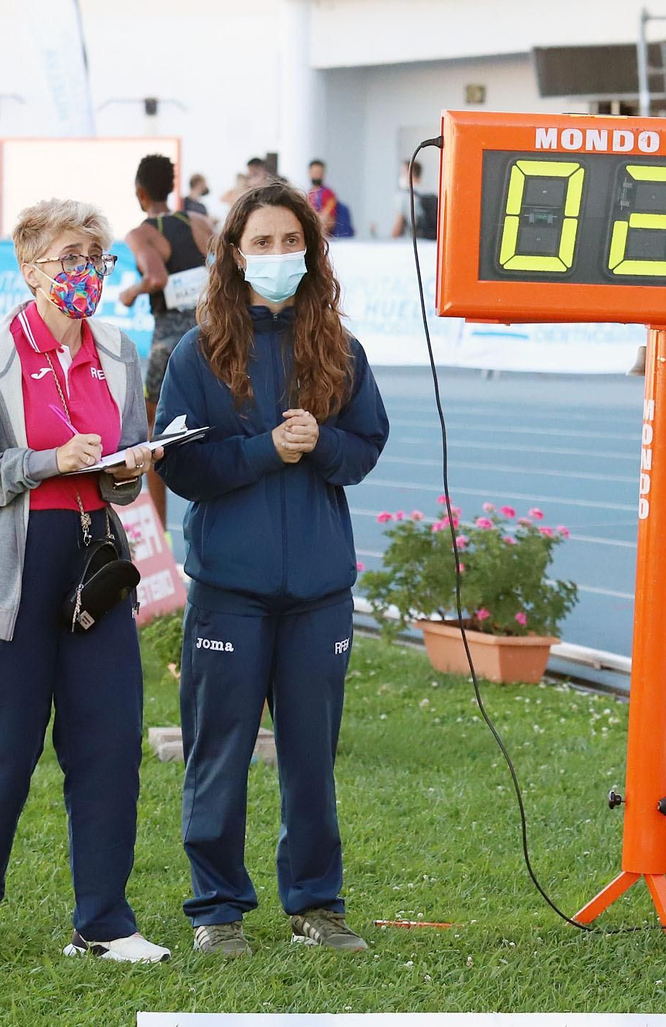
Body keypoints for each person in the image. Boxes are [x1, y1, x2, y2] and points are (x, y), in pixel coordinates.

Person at [153, 181, 388, 958]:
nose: (278, 254)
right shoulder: (198, 352)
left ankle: (316, 905)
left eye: (292, 241)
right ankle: (217, 908)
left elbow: (365, 446)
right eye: (262, 242)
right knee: (217, 753)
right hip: (230, 592)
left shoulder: (340, 348)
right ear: (234, 253)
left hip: (319, 592)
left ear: (312, 252)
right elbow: (181, 467)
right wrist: (265, 451)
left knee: (311, 760)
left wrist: (321, 442)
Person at [0, 199, 167, 966]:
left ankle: (104, 923)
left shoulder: (119, 352)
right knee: (2, 747)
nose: (85, 272)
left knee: (109, 742)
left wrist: (132, 467)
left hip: (95, 567)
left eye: (95, 258)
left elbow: (119, 476)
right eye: (70, 258)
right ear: (30, 269)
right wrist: (48, 462)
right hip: (14, 569)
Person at [118, 154, 216, 526]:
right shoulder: (198, 222)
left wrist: (131, 292)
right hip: (208, 331)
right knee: (213, 422)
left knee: (154, 434)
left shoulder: (140, 234)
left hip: (169, 338)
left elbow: (156, 278)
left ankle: (160, 528)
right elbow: (225, 264)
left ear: (140, 193)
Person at [392, 160, 437, 241]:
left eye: (402, 173)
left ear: (410, 173)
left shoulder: (404, 195)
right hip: (433, 242)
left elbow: (398, 226)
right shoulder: (431, 193)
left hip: (415, 242)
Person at [306, 159, 340, 234]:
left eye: (319, 172)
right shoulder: (308, 194)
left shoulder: (328, 194)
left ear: (323, 174)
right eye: (314, 172)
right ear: (309, 173)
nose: (316, 175)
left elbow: (328, 219)